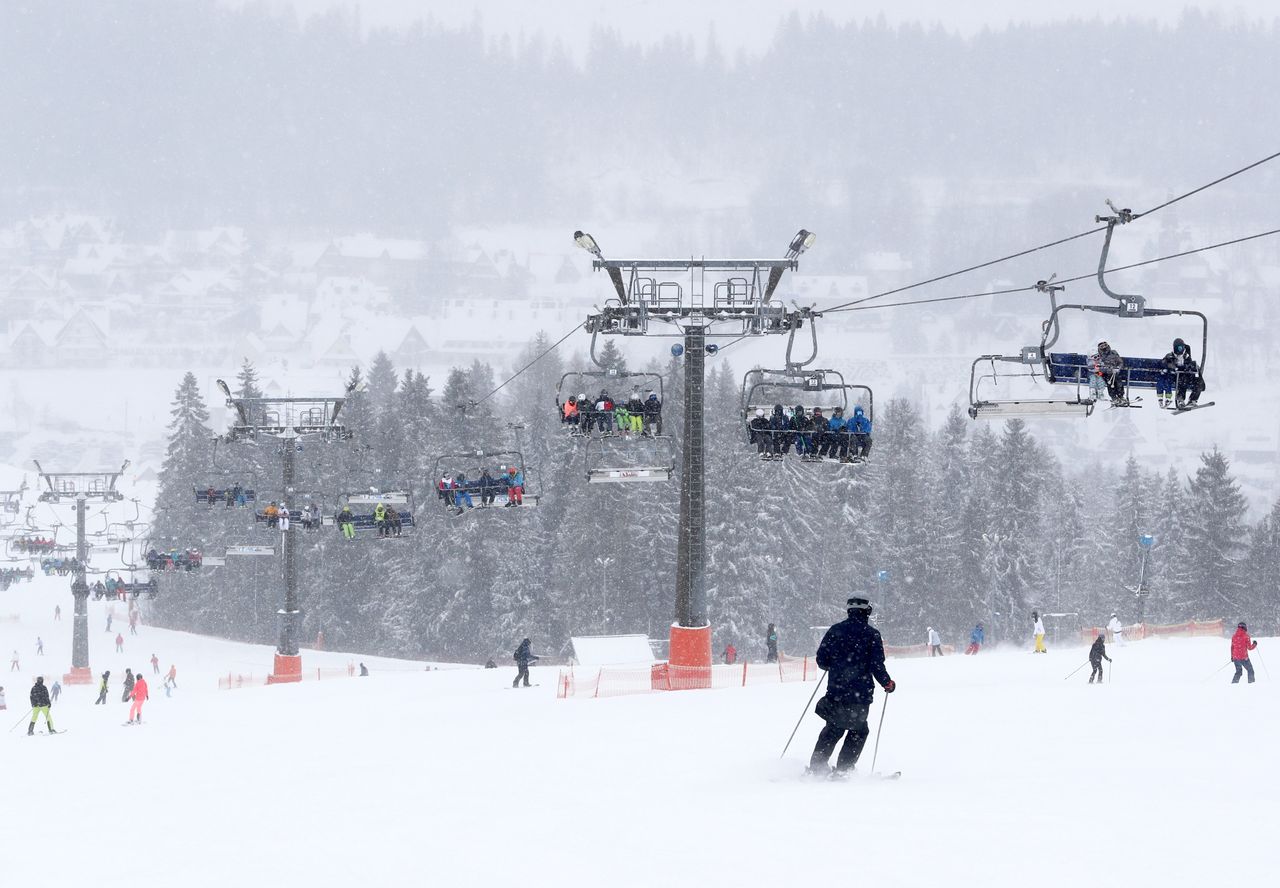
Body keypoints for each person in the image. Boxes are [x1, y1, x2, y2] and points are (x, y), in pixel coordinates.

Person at [808, 597, 895, 776]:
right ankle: (843, 769)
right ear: (867, 611)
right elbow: (876, 665)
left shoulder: (835, 630)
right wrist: (887, 683)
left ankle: (816, 768)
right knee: (858, 730)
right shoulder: (872, 634)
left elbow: (822, 660)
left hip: (835, 691)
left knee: (833, 727)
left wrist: (837, 664)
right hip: (860, 694)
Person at [1163, 337, 1205, 409]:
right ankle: (1180, 399)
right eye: (1178, 348)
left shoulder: (1186, 356)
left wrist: (1190, 367)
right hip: (1176, 378)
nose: (1179, 350)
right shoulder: (1170, 356)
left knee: (1199, 382)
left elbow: (1190, 365)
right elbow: (1164, 363)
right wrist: (1171, 364)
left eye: (1181, 348)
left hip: (1188, 377)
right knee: (1183, 380)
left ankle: (1192, 399)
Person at [1091, 341, 1127, 406]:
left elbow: (1120, 362)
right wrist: (1103, 369)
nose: (1104, 347)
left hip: (1114, 372)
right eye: (1102, 346)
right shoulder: (1098, 355)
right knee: (1109, 381)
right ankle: (1114, 398)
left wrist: (1118, 368)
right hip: (1104, 373)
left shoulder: (1113, 353)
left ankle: (1121, 396)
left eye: (1105, 345)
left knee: (1118, 380)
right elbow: (1096, 366)